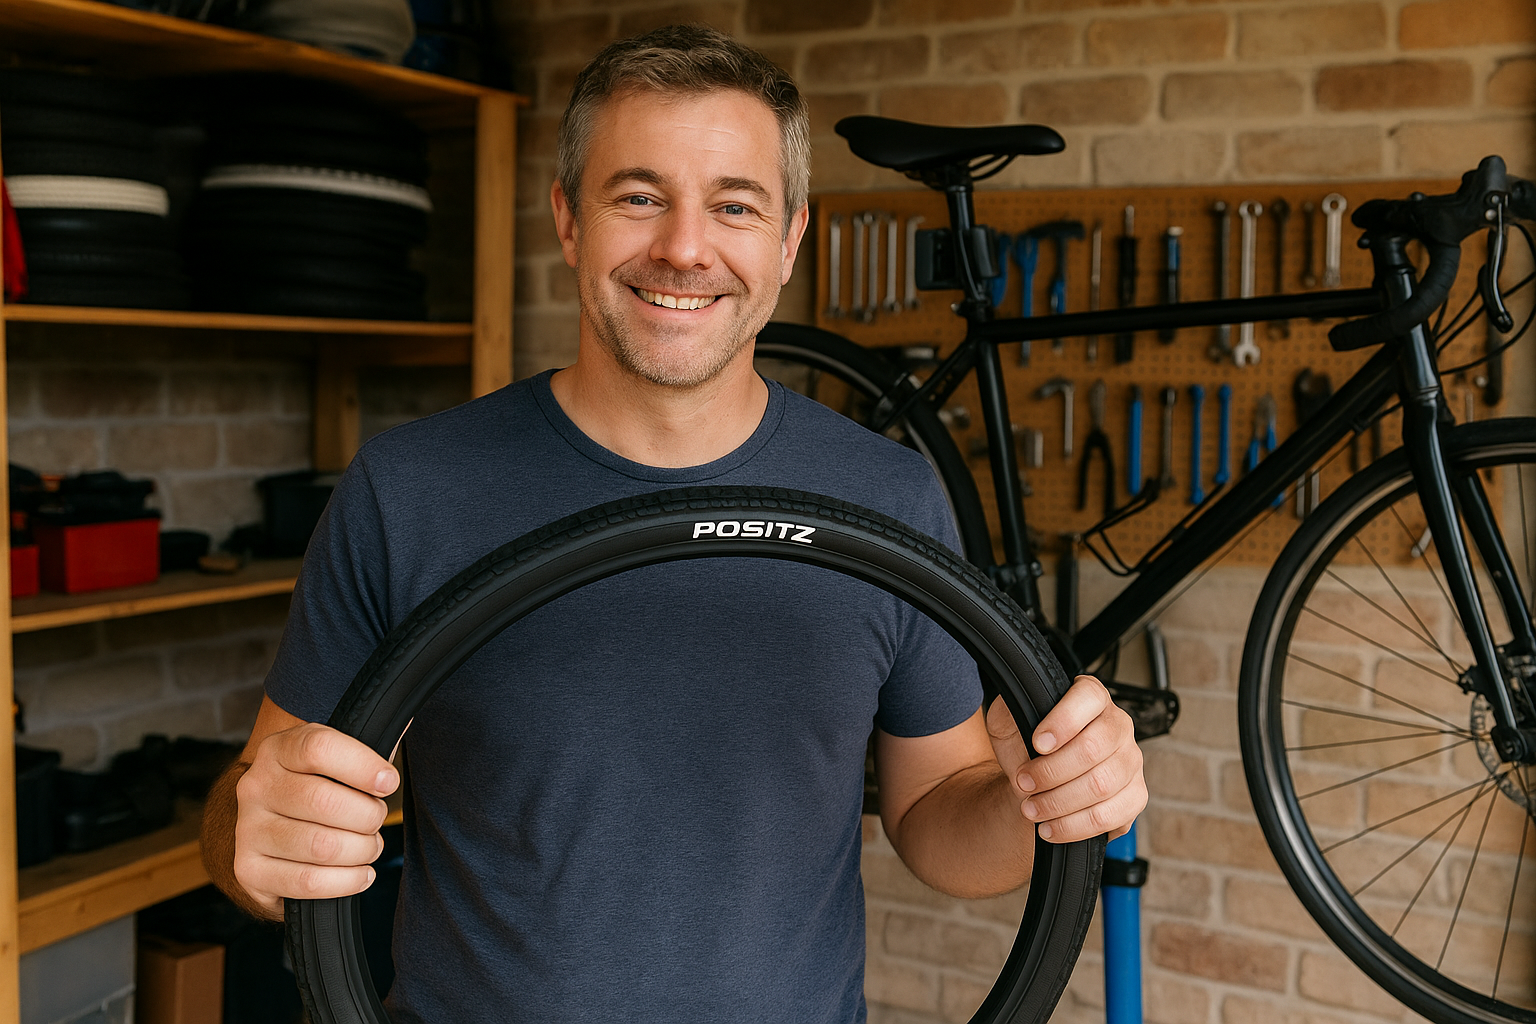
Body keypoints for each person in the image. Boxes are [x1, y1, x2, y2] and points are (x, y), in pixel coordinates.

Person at [201, 24, 1147, 1023]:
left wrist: (1034, 799)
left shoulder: (890, 500)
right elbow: (256, 809)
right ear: (569, 220)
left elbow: (937, 822)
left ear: (789, 241)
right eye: (638, 196)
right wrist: (250, 841)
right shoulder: (412, 488)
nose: (685, 247)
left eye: (733, 205)